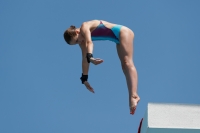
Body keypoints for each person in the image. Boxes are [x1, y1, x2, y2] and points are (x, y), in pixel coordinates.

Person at [63, 20, 140, 115]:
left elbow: (89, 42)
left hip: (123, 32)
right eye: (76, 43)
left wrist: (90, 57)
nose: (79, 42)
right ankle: (132, 96)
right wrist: (84, 78)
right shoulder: (81, 41)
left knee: (127, 62)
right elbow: (84, 59)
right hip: (117, 39)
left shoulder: (84, 26)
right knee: (124, 67)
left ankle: (134, 96)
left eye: (77, 40)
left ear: (77, 32)